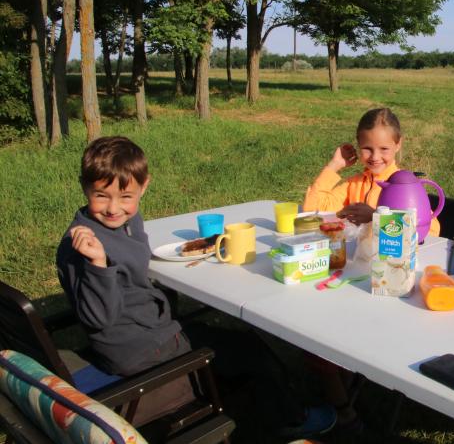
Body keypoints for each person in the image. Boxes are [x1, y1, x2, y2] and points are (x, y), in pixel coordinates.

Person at [56, 136, 336, 439]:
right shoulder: (84, 247)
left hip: (148, 330)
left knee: (223, 335)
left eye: (125, 196)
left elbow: (132, 259)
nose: (113, 208)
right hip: (141, 350)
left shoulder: (124, 220)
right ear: (84, 187)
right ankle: (292, 419)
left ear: (144, 186)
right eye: (101, 195)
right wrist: (98, 265)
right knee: (251, 348)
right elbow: (99, 319)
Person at [304, 106, 440, 236]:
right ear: (358, 145)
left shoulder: (404, 188)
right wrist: (334, 166)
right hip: (358, 252)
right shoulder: (353, 185)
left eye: (384, 149)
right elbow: (311, 209)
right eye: (367, 149)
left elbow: (431, 230)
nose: (375, 157)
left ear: (398, 144)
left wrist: (376, 217)